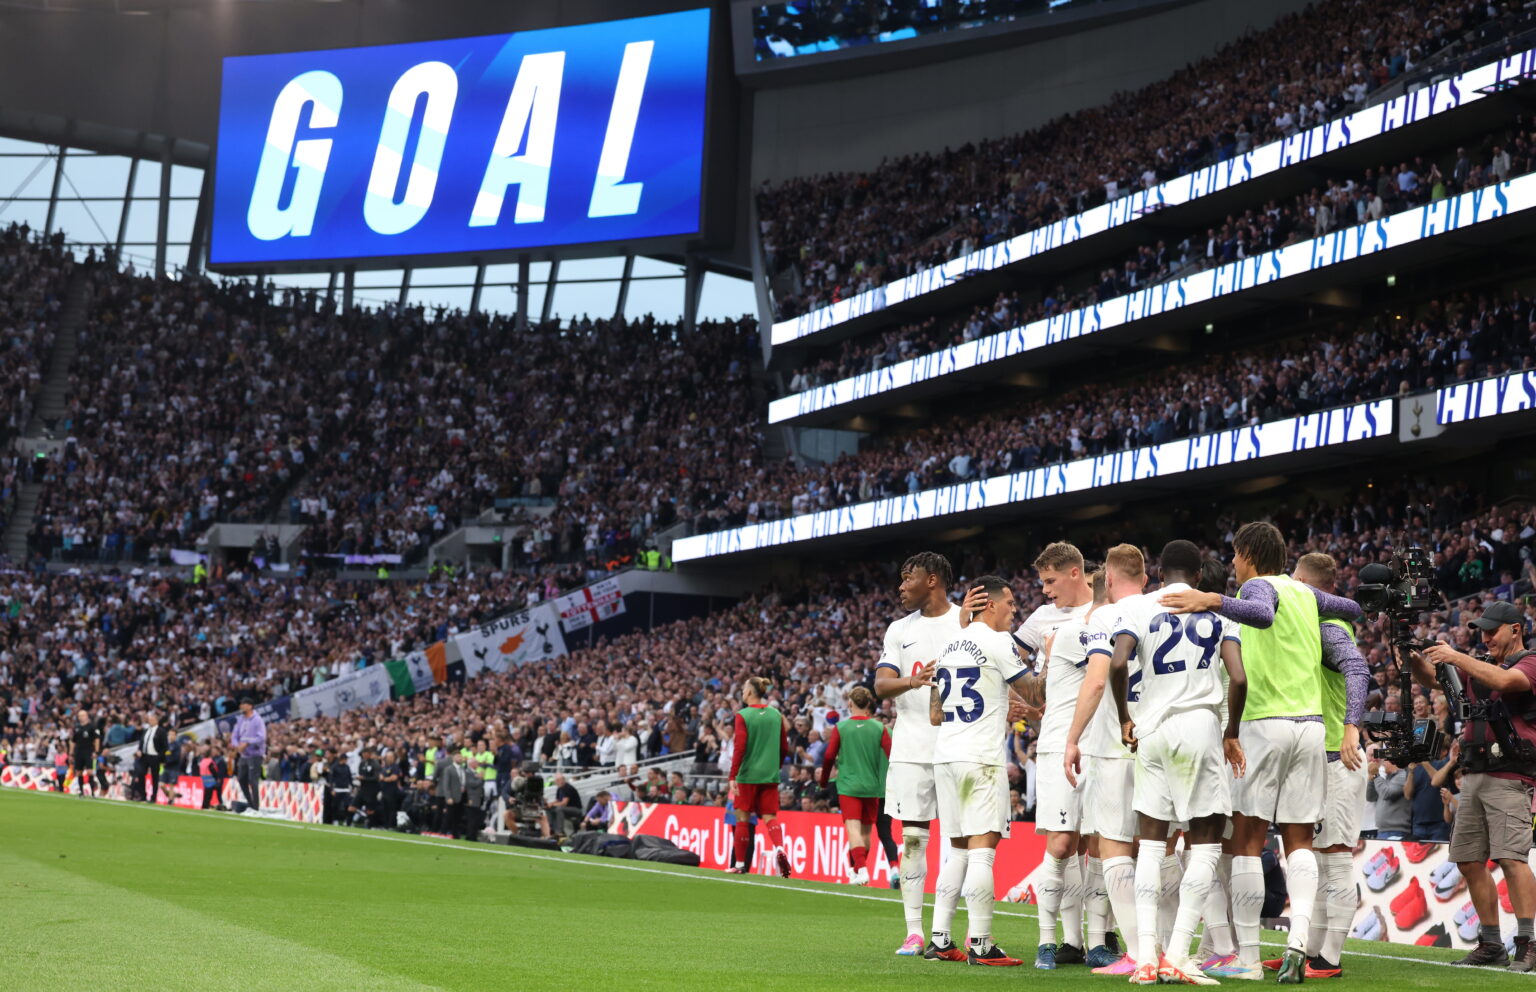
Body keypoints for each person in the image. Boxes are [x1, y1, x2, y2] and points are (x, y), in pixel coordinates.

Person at [1160, 521, 1362, 983]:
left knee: (1248, 842)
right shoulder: (1305, 593)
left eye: (1235, 553)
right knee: (1299, 842)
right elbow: (1352, 607)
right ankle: (1298, 944)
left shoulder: (1256, 587)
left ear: (1249, 553)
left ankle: (1247, 959)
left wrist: (1211, 599)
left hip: (1263, 723)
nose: (1232, 562)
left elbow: (1263, 614)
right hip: (1310, 727)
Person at [1106, 539, 1247, 985]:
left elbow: (1117, 664)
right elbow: (1238, 678)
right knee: (1204, 846)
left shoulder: (1137, 607)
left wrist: (1125, 718)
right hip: (1199, 726)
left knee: (1151, 846)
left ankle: (1147, 956)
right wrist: (1231, 732)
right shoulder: (1217, 609)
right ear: (1200, 575)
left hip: (1152, 730)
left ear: (1158, 573)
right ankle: (1180, 954)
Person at [1407, 599, 1536, 970]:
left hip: (1511, 774)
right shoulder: (1479, 666)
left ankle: (1528, 943)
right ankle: (1491, 943)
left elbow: (1505, 681)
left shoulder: (1530, 662)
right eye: (1483, 631)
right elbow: (1432, 680)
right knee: (1467, 860)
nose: (1486, 637)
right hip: (1474, 773)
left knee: (1511, 858)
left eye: (1492, 631)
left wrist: (1456, 656)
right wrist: (1412, 656)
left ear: (1516, 629)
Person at [925, 574, 1030, 966]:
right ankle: (982, 943)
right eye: (1011, 604)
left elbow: (936, 714)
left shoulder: (949, 645)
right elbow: (1035, 691)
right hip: (980, 759)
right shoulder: (999, 642)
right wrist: (1053, 658)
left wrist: (999, 703)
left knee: (957, 851)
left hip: (946, 756)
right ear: (991, 604)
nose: (1014, 611)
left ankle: (939, 939)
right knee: (983, 852)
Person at [872, 551, 966, 953]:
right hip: (911, 746)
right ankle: (914, 931)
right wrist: (913, 681)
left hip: (958, 745)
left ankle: (949, 930)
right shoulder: (899, 629)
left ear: (932, 580)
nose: (901, 586)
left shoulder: (965, 621)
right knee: (912, 839)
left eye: (907, 578)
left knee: (961, 841)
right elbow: (881, 685)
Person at [1064, 552, 1150, 978]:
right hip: (1156, 743)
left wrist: (1072, 738)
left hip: (1115, 744)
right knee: (1158, 847)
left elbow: (1098, 679)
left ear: (1109, 578)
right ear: (1146, 577)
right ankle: (1167, 946)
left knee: (1114, 845)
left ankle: (1137, 951)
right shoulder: (1161, 610)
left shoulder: (1105, 616)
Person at [1025, 543, 1097, 969]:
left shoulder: (1107, 613)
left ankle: (1091, 939)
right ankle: (1050, 941)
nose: (1046, 591)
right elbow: (1017, 668)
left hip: (1103, 745)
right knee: (1063, 842)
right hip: (1057, 742)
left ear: (1075, 573)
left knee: (1097, 844)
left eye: (1050, 581)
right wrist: (1029, 697)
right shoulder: (1041, 620)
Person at [818, 685, 891, 885]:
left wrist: (823, 781)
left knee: (853, 830)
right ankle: (856, 871)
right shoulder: (879, 728)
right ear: (868, 704)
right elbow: (891, 755)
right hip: (872, 787)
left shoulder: (841, 728)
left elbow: (829, 756)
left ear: (850, 703)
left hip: (849, 786)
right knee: (866, 832)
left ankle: (862, 870)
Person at [728, 676, 792, 877]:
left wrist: (733, 775)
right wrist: (775, 767)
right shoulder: (775, 714)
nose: (742, 692)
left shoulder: (743, 715)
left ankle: (739, 864)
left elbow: (740, 747)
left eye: (743, 689)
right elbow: (784, 746)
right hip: (769, 775)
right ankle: (779, 848)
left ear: (749, 692)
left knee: (742, 818)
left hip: (748, 775)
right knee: (770, 817)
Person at [229, 699, 267, 812]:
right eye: (241, 704)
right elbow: (235, 735)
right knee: (241, 778)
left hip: (255, 754)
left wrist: (247, 743)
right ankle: (250, 803)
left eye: (244, 705)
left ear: (250, 706)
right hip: (243, 755)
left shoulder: (257, 720)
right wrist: (237, 745)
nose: (241, 707)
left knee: (253, 780)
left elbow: (262, 737)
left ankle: (256, 807)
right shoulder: (241, 719)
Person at [137, 710, 169, 804]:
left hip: (155, 757)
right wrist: (139, 750)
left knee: (155, 777)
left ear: (156, 721)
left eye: (152, 720)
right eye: (149, 720)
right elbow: (141, 742)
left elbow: (165, 746)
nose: (150, 721)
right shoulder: (146, 730)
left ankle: (153, 797)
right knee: (141, 774)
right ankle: (143, 795)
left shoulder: (161, 731)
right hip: (144, 756)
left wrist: (159, 757)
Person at [433, 748, 467, 835]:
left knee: (457, 816)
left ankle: (455, 834)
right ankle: (442, 832)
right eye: (458, 756)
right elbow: (446, 784)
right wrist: (448, 797)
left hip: (460, 796)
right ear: (453, 758)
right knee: (448, 816)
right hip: (451, 796)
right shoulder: (448, 769)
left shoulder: (463, 769)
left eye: (461, 756)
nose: (460, 758)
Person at [70, 708, 101, 797]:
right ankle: (81, 792)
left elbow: (97, 739)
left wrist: (96, 751)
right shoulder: (76, 728)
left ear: (87, 716)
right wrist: (71, 753)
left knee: (90, 771)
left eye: (83, 715)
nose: (81, 717)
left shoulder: (92, 727)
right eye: (79, 716)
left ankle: (93, 792)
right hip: (78, 752)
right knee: (79, 772)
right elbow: (73, 741)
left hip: (89, 751)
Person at [546, 773, 582, 837]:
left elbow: (564, 803)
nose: (556, 782)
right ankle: (552, 829)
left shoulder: (568, 788)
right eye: (556, 780)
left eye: (558, 780)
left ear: (563, 780)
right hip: (566, 809)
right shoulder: (559, 789)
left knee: (559, 809)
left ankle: (559, 831)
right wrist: (551, 804)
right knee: (549, 809)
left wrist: (553, 805)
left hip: (576, 809)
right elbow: (558, 800)